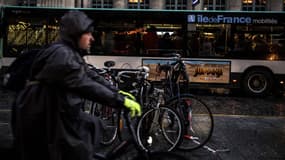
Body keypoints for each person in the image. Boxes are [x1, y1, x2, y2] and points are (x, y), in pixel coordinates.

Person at [13, 10, 141, 160]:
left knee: (93, 125)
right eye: (88, 34)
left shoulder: (69, 52)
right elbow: (84, 84)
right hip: (44, 116)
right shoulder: (63, 56)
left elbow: (91, 75)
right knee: (79, 144)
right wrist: (119, 101)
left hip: (55, 110)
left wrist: (117, 92)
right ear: (76, 34)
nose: (92, 38)